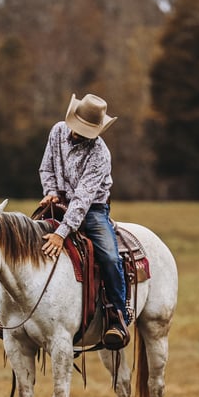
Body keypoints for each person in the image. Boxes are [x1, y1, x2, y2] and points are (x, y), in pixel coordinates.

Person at [38, 93, 130, 350]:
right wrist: (51, 191)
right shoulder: (57, 132)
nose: (79, 135)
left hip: (92, 209)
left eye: (86, 132)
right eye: (78, 129)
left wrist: (61, 233)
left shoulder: (100, 154)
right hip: (57, 201)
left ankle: (117, 317)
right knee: (24, 243)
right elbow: (46, 167)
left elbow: (82, 200)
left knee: (110, 257)